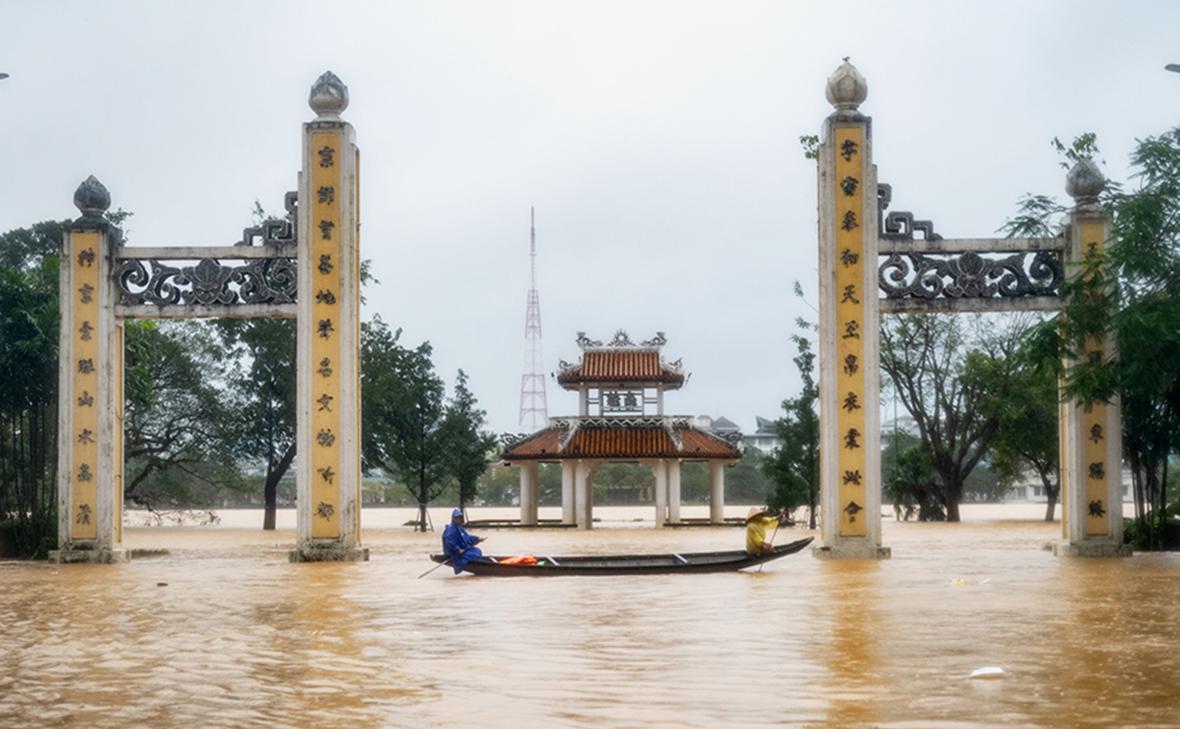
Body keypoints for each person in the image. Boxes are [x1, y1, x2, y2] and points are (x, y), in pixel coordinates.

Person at [442, 508, 485, 574]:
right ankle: (465, 563)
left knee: (477, 550)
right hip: (455, 553)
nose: (458, 519)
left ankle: (475, 562)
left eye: (459, 517)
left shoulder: (460, 528)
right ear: (453, 518)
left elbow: (467, 538)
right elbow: (449, 542)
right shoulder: (450, 529)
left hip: (463, 550)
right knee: (473, 554)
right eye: (457, 518)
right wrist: (458, 549)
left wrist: (477, 539)